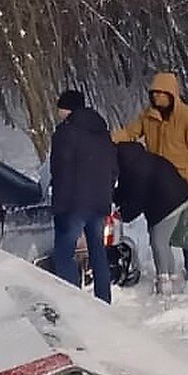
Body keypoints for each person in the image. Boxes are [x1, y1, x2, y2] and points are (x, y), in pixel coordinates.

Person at [112, 72, 188, 281]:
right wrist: (107, 140)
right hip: (155, 179)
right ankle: (166, 270)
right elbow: (130, 133)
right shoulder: (149, 116)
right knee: (157, 228)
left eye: (161, 94)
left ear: (171, 94)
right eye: (153, 94)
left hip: (184, 180)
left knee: (186, 228)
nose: (157, 98)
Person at [50, 89, 118, 304]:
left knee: (64, 253)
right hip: (99, 201)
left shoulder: (65, 132)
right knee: (97, 251)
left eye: (60, 108)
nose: (58, 112)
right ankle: (103, 300)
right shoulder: (102, 132)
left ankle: (73, 302)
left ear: (67, 109)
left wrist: (59, 198)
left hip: (73, 203)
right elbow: (114, 169)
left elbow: (58, 168)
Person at [114, 141, 188, 295]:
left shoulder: (137, 170)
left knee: (158, 241)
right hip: (180, 196)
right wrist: (114, 197)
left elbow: (136, 200)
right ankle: (174, 278)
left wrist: (123, 215)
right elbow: (125, 190)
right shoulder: (139, 162)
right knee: (163, 241)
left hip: (169, 203)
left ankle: (164, 283)